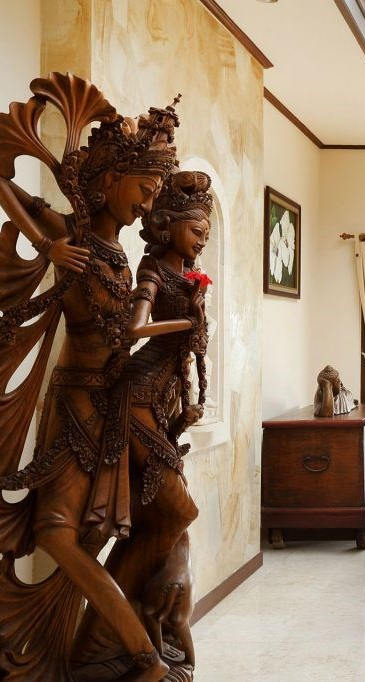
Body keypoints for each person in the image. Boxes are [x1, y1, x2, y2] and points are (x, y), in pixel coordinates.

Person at [0, 73, 179, 681]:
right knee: (56, 534)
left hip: (116, 406)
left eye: (155, 193)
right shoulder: (69, 235)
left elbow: (126, 332)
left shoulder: (123, 256)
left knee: (93, 530)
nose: (148, 204)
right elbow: (4, 183)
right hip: (77, 403)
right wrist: (42, 245)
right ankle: (141, 655)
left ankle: (128, 651)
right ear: (110, 180)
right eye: (144, 189)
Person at [72, 170, 211, 675]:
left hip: (161, 403)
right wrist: (186, 323)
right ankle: (103, 636)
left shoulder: (189, 275)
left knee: (162, 519)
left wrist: (187, 406)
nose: (201, 239)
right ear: (167, 224)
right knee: (178, 511)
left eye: (206, 232)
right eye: (195, 230)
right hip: (134, 396)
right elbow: (134, 329)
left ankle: (108, 634)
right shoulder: (153, 269)